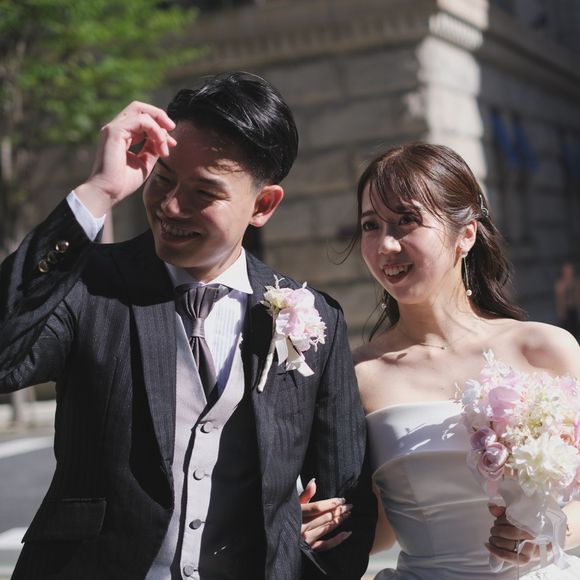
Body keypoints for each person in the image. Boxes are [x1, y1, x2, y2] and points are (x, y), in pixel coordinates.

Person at [0, 72, 376, 580]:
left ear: (262, 205)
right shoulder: (89, 284)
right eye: (163, 179)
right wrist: (98, 192)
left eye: (203, 192)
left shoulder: (316, 318)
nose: (171, 206)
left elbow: (345, 502)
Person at [302, 142, 580, 578]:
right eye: (371, 225)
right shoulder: (357, 375)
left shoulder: (545, 348)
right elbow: (381, 531)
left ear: (465, 234)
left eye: (406, 221)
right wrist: (310, 524)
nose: (385, 244)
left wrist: (547, 533)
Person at [554, 262, 580, 340]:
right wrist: (561, 311)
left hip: (574, 308)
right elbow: (559, 299)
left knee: (575, 328)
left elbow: (577, 295)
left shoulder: (575, 282)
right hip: (566, 309)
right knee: (567, 328)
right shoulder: (560, 284)